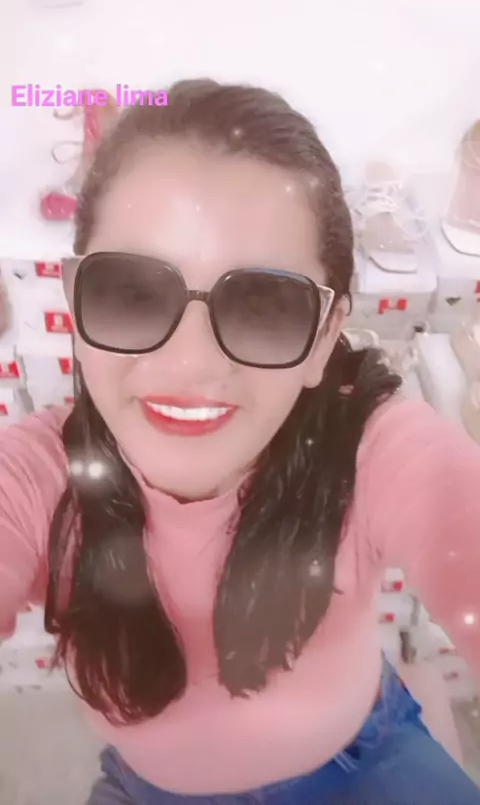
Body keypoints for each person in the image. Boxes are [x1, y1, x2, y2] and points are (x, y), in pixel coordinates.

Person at [1, 79, 480, 805]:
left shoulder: (369, 452)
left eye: (264, 305)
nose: (190, 364)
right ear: (75, 304)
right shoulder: (39, 480)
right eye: (133, 292)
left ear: (324, 338)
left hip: (365, 758)